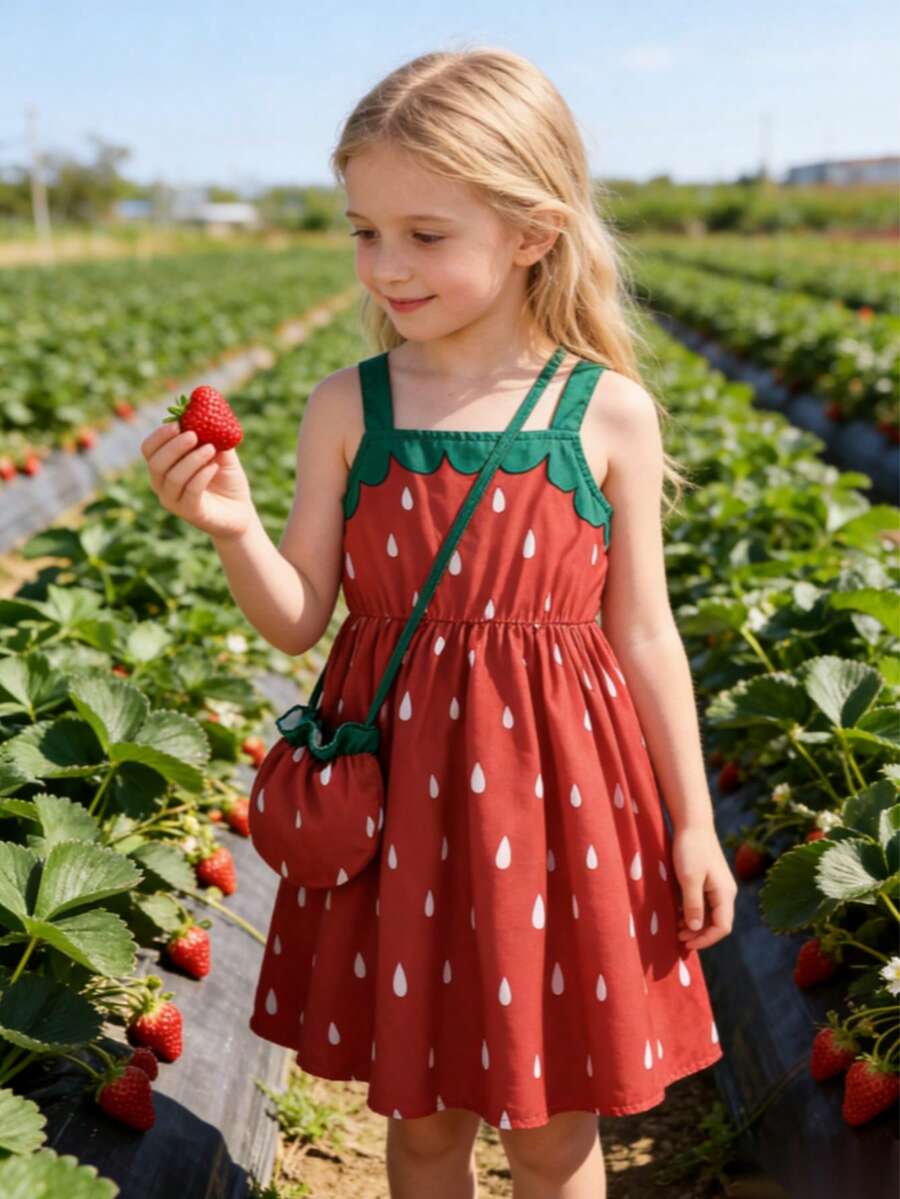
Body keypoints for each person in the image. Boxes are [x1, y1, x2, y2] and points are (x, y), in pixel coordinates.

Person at [141, 44, 736, 1199]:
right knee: (420, 1126)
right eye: (366, 230)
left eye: (425, 233)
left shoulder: (607, 411)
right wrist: (230, 526)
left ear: (532, 231)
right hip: (401, 802)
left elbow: (647, 633)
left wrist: (694, 822)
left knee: (556, 1127)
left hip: (563, 801)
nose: (387, 264)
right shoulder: (344, 405)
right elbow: (297, 619)